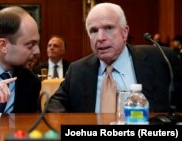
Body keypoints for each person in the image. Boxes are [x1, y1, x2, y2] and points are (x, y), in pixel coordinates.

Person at [46, 3, 182, 113]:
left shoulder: (161, 60)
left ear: (125, 32)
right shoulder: (77, 70)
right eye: (93, 31)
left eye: (109, 28)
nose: (100, 38)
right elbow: (53, 105)